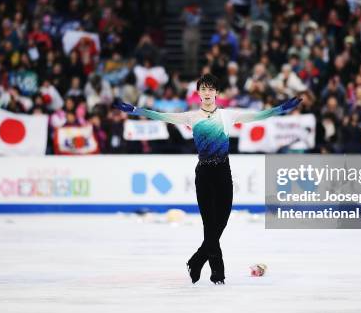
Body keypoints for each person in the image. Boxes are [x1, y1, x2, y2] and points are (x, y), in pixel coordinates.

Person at [113, 73, 301, 284]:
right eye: (203, 89)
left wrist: (281, 109)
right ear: (198, 93)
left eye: (211, 89)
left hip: (223, 173)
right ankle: (217, 274)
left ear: (217, 93)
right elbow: (161, 116)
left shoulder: (227, 115)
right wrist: (136, 110)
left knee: (219, 223)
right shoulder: (191, 117)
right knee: (209, 226)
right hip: (203, 174)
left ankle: (196, 260)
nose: (207, 92)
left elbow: (257, 116)